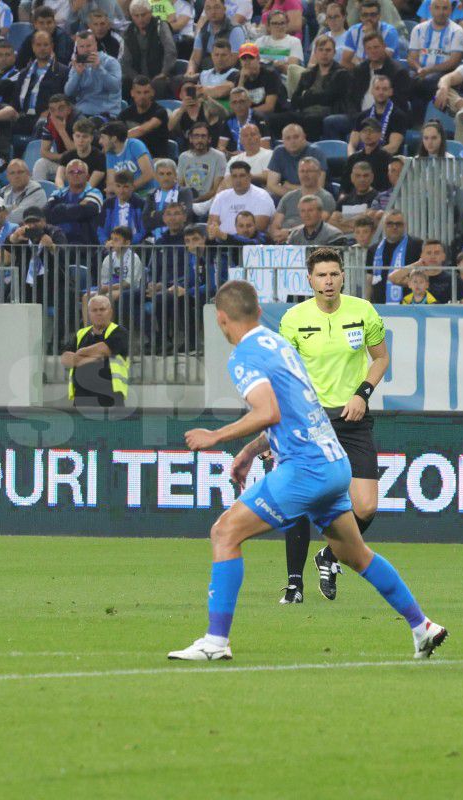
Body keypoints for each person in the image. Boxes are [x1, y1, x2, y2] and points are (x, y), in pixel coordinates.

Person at [168, 277, 448, 661]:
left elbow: (268, 411)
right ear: (260, 312)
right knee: (356, 555)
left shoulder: (244, 356)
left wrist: (217, 436)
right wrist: (251, 451)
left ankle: (216, 642)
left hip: (305, 468)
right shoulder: (279, 344)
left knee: (224, 533)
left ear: (221, 319)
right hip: (334, 463)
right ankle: (422, 627)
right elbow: (298, 409)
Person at [272, 247, 392, 602]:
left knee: (367, 506)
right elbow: (285, 375)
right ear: (309, 280)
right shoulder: (293, 318)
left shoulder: (363, 311)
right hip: (309, 421)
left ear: (343, 276)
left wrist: (362, 394)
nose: (328, 281)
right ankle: (294, 586)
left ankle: (329, 554)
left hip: (353, 417)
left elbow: (381, 357)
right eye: (321, 275)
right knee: (300, 500)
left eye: (334, 274)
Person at [61, 294, 130, 408]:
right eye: (94, 310)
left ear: (110, 312)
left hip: (109, 400)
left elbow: (103, 350)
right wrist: (95, 358)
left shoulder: (119, 332)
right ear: (89, 313)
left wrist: (79, 355)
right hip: (81, 399)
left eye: (102, 309)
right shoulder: (80, 334)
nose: (98, 313)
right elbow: (65, 359)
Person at [408, 0, 463, 119]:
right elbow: (411, 57)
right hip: (420, 72)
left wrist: (429, 70)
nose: (441, 12)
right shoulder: (418, 29)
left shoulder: (457, 31)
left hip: (445, 74)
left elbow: (453, 62)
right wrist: (419, 69)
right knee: (403, 79)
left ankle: (424, 121)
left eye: (445, 8)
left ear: (450, 10)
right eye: (437, 8)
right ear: (430, 9)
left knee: (426, 82)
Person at [13, 31, 69, 134]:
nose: (42, 48)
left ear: (52, 46)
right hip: (24, 118)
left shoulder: (63, 71)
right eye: (38, 45)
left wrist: (50, 112)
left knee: (42, 125)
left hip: (48, 119)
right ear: (33, 47)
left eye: (45, 45)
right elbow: (15, 103)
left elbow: (66, 100)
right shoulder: (24, 74)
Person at [120, 0, 176, 101]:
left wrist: (164, 73)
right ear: (131, 16)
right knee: (124, 81)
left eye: (143, 15)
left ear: (150, 13)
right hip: (137, 76)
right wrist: (137, 79)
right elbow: (125, 62)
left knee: (159, 84)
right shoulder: (128, 32)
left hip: (160, 74)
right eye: (136, 16)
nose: (140, 19)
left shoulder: (161, 26)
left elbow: (170, 52)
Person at [208, 159, 275, 237]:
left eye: (242, 176)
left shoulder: (262, 196)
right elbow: (212, 225)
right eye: (234, 176)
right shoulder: (221, 196)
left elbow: (257, 230)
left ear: (250, 177)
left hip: (248, 245)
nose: (238, 180)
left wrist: (226, 237)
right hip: (221, 244)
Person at [64, 30, 122, 120]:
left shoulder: (111, 62)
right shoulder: (77, 64)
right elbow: (68, 92)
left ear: (95, 45)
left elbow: (115, 88)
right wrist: (78, 74)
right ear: (77, 48)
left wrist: (99, 68)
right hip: (81, 112)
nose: (85, 49)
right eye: (81, 46)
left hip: (106, 112)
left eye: (89, 46)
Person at [371, 209, 422, 303]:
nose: (394, 227)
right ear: (383, 225)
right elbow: (369, 278)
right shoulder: (374, 249)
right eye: (390, 224)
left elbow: (421, 275)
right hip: (379, 304)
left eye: (398, 224)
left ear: (405, 226)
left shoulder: (416, 245)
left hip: (409, 305)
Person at [264, 123, 327, 199]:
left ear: (304, 137)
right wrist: (294, 196)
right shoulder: (279, 152)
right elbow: (271, 185)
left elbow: (318, 188)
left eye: (296, 137)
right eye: (288, 138)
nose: (292, 141)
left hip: (315, 199)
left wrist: (289, 186)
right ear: (282, 140)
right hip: (289, 198)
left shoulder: (316, 152)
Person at [117, 77, 170, 160]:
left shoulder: (160, 112)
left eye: (146, 92)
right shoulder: (125, 114)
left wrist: (117, 138)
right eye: (139, 92)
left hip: (156, 159)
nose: (142, 96)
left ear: (152, 93)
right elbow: (116, 129)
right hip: (132, 159)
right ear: (132, 93)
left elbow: (142, 130)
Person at [0, 158, 47, 224]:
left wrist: (3, 211)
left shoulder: (36, 191)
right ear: (7, 177)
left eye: (20, 172)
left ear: (28, 174)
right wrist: (12, 208)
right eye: (12, 173)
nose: (16, 176)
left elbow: (17, 218)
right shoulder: (3, 191)